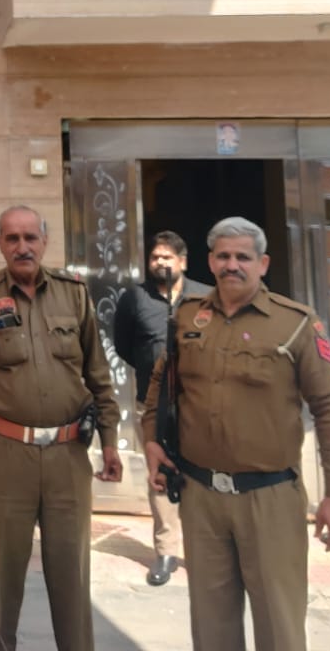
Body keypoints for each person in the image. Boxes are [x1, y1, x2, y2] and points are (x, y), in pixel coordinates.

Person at [142, 216, 330, 651]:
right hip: (201, 495)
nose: (231, 265)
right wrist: (150, 440)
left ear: (263, 264)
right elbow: (161, 387)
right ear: (210, 261)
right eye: (223, 256)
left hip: (270, 498)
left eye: (243, 256)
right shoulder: (186, 317)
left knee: (279, 626)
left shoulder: (295, 323)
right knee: (211, 626)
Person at [0, 204, 121, 651]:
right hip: (5, 455)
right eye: (12, 238)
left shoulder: (74, 293)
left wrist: (111, 441)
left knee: (72, 576)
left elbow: (99, 375)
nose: (22, 246)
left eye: (30, 237)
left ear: (45, 241)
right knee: (2, 579)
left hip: (68, 455)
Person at [111, 230, 210, 586]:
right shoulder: (134, 299)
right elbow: (123, 345)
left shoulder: (206, 298)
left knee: (202, 476)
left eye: (168, 257)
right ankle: (166, 552)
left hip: (200, 405)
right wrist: (149, 368)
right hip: (152, 404)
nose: (161, 263)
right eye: (156, 257)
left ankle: (203, 552)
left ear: (183, 262)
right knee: (161, 477)